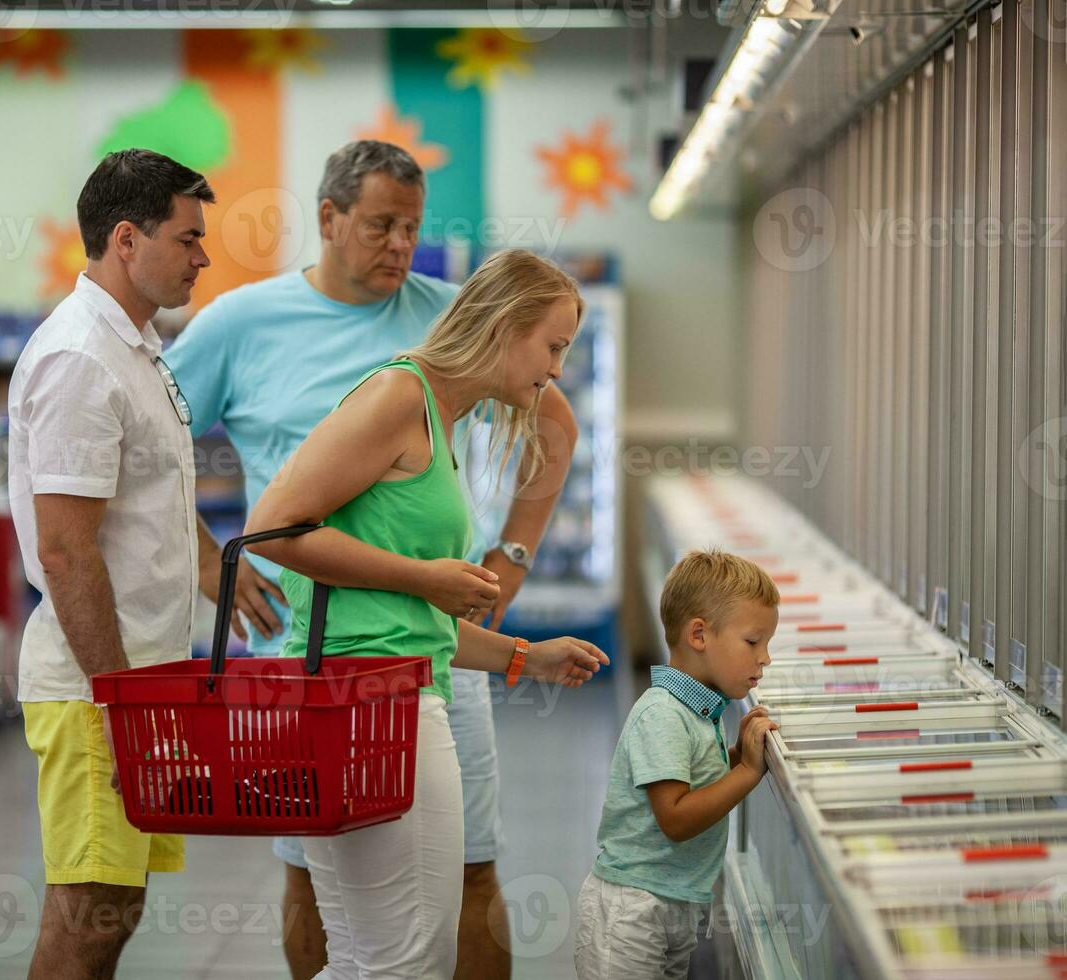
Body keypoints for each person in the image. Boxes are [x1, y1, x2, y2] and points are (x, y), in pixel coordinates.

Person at [165, 141, 580, 979]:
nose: (400, 245)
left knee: (437, 894)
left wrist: (510, 565)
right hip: (326, 658)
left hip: (416, 652)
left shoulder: (444, 329)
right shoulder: (267, 332)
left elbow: (556, 425)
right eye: (383, 225)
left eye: (413, 228)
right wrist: (210, 562)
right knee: (361, 924)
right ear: (329, 218)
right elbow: (152, 447)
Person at [243, 247, 610, 978]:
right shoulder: (399, 397)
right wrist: (427, 577)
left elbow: (401, 619)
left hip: (382, 694)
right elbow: (274, 527)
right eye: (553, 346)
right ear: (506, 326)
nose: (558, 369)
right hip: (370, 708)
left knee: (367, 955)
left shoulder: (440, 417)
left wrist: (523, 656)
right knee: (407, 959)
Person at [7, 149, 226, 980]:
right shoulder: (80, 359)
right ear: (126, 239)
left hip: (142, 679)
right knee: (90, 907)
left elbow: (151, 504)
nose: (203, 257)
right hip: (100, 687)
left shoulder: (136, 348)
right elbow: (66, 550)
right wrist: (121, 701)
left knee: (116, 904)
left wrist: (222, 577)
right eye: (189, 237)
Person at [575, 549, 780, 979]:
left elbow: (698, 783)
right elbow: (676, 817)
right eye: (752, 642)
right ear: (699, 635)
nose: (765, 658)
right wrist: (746, 772)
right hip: (632, 912)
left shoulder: (699, 711)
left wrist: (739, 753)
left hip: (673, 903)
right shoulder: (664, 715)